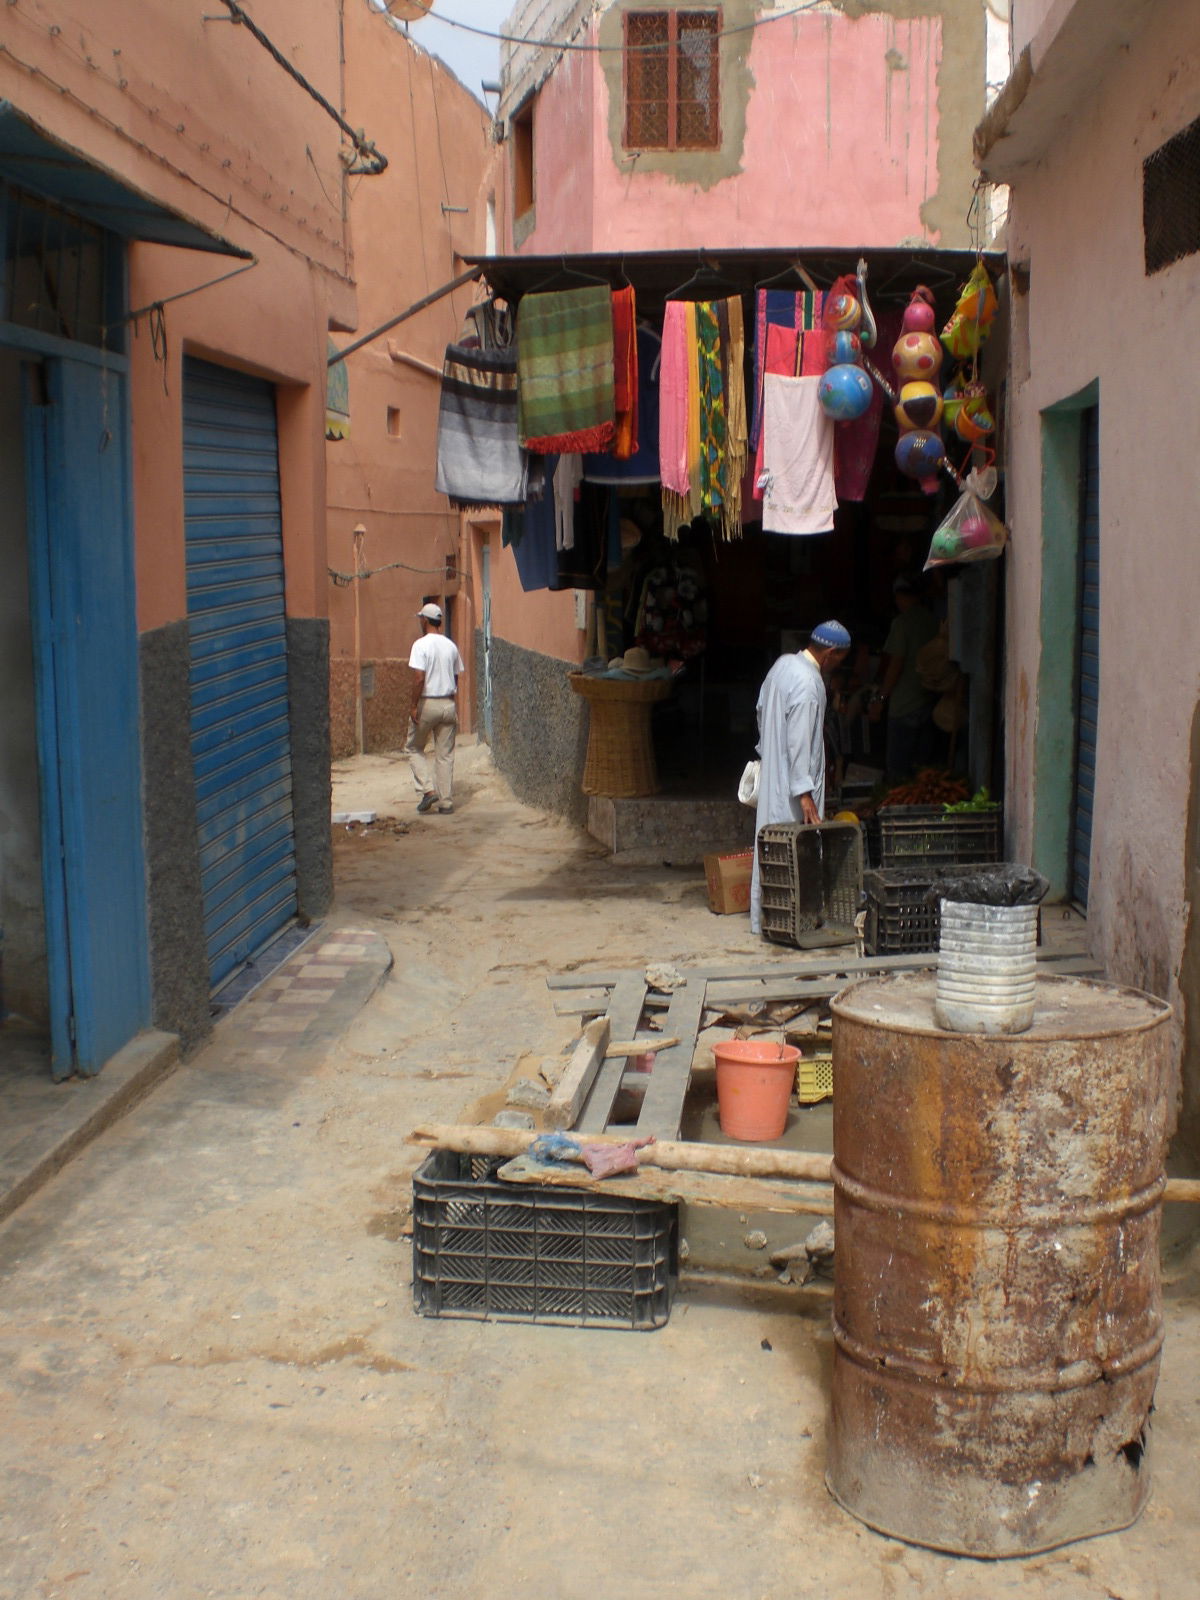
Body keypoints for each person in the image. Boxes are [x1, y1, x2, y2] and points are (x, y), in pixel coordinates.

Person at [750, 620, 851, 936]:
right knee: (794, 853)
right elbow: (799, 740)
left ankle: (766, 918)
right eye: (841, 659)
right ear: (831, 653)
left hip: (777, 776)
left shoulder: (783, 665)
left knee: (772, 851)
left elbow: (761, 710)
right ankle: (791, 922)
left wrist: (770, 749)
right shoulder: (809, 683)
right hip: (794, 787)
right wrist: (804, 792)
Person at [871, 574, 939, 781]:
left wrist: (881, 699)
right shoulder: (932, 621)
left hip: (904, 706)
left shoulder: (901, 623)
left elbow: (896, 664)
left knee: (899, 771)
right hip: (929, 702)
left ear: (900, 597)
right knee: (923, 769)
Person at [407, 602, 464, 814]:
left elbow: (418, 677)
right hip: (448, 703)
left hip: (428, 702)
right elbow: (456, 675)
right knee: (445, 754)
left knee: (413, 747)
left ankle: (428, 790)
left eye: (421, 618)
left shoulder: (420, 645)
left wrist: (413, 705)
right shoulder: (451, 646)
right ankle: (446, 802)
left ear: (425, 620)